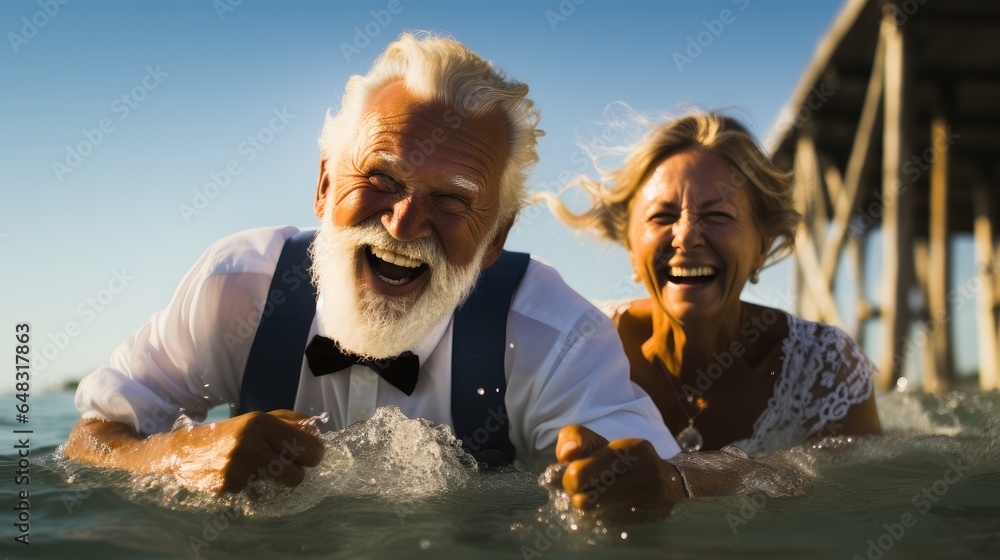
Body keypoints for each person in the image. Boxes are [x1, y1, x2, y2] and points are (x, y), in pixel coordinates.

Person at [64, 32, 710, 518]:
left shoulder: (555, 336)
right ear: (322, 186)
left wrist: (645, 490)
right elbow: (89, 443)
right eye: (381, 179)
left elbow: (660, 483)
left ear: (497, 237)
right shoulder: (237, 288)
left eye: (452, 200)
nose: (403, 224)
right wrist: (182, 455)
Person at [539, 112, 881, 456]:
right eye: (662, 216)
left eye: (718, 215)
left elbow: (857, 495)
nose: (686, 237)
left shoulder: (825, 367)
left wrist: (688, 483)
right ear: (630, 249)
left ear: (761, 248)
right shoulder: (575, 345)